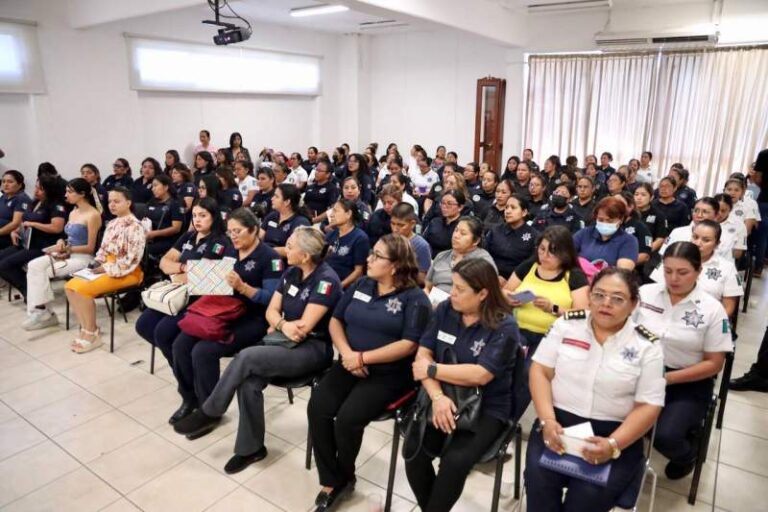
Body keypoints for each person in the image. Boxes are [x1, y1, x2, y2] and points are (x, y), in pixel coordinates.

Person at [172, 227, 342, 472]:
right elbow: (271, 311)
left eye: (290, 246)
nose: (284, 249)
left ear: (305, 255)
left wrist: (280, 324)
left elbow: (304, 328)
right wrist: (282, 324)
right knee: (248, 381)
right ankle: (251, 449)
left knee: (246, 356)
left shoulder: (326, 280)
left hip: (313, 348)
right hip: (283, 339)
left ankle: (210, 410)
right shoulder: (292, 272)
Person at [307, 234, 431, 511]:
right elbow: (336, 320)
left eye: (377, 255)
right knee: (318, 407)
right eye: (371, 253)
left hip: (389, 374)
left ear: (395, 266)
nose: (368, 259)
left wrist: (363, 357)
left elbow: (409, 344)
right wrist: (348, 355)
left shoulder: (415, 299)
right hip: (350, 362)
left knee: (347, 419)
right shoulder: (362, 284)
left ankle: (344, 476)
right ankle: (332, 479)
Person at [526, 268, 665, 511]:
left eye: (617, 298)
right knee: (539, 486)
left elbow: (648, 405)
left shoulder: (647, 346)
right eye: (599, 295)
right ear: (589, 296)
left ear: (633, 304)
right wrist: (547, 420)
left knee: (586, 498)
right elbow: (540, 372)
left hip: (614, 434)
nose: (606, 303)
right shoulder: (567, 325)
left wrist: (613, 444)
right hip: (557, 425)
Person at [406, 258, 520, 511]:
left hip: (486, 407)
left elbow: (481, 375)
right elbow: (423, 354)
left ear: (483, 293)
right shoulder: (446, 309)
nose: (452, 293)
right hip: (443, 395)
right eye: (453, 286)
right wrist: (437, 397)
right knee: (415, 452)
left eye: (460, 289)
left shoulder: (504, 326)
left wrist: (433, 370)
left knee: (454, 463)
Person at [166, 208, 283, 423]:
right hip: (222, 309)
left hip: (252, 317)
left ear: (254, 230)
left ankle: (209, 410)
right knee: (180, 345)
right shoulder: (231, 250)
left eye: (238, 231)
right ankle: (190, 398)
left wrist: (243, 287)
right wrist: (196, 277)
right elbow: (218, 282)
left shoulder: (270, 258)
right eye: (230, 232)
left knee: (203, 351)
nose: (233, 236)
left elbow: (272, 299)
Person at [635, 241, 731, 479]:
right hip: (639, 371)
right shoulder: (645, 294)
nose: (673, 278)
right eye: (668, 271)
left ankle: (688, 454)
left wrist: (666, 378)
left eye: (682, 272)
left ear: (698, 271)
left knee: (665, 436)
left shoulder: (712, 309)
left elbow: (714, 363)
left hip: (687, 380)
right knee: (612, 416)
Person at [135, 197, 231, 424]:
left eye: (203, 216)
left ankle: (189, 394)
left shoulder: (220, 242)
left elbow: (206, 277)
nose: (197, 220)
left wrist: (182, 272)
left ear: (214, 217)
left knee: (164, 333)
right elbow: (164, 262)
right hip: (177, 295)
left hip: (200, 300)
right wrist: (181, 267)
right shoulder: (188, 237)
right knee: (144, 325)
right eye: (195, 215)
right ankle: (185, 376)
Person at [64, 187, 146, 352]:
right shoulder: (112, 223)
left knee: (83, 290)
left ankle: (92, 333)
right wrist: (96, 264)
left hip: (127, 271)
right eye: (110, 201)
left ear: (128, 203)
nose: (112, 205)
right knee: (69, 287)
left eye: (117, 201)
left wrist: (106, 268)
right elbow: (102, 250)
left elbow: (131, 260)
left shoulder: (136, 226)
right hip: (106, 266)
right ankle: (86, 328)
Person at [22, 178, 102, 330]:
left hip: (83, 258)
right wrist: (61, 242)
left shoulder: (93, 215)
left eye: (70, 192)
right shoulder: (73, 212)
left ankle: (44, 313)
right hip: (68, 254)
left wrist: (67, 250)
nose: (66, 195)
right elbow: (68, 237)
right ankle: (42, 311)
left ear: (82, 194)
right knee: (33, 265)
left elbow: (90, 248)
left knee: (44, 271)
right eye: (66, 191)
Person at [650, 221, 742, 318]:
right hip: (666, 315)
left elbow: (728, 308)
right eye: (695, 237)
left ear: (717, 243)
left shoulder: (727, 268)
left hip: (706, 319)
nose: (698, 243)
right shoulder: (673, 259)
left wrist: (710, 323)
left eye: (706, 240)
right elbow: (656, 293)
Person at [0, 176, 66, 305]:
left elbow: (57, 228)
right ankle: (30, 290)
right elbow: (24, 221)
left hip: (44, 245)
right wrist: (15, 231)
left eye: (40, 189)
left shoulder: (56, 206)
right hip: (26, 242)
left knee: (5, 265)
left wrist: (34, 224)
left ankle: (30, 292)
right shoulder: (35, 202)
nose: (36, 191)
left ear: (50, 190)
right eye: (36, 187)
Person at [426, 216, 497, 295]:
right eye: (456, 230)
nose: (456, 236)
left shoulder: (484, 262)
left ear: (476, 241)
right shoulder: (441, 256)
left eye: (463, 233)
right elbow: (427, 286)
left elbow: (489, 293)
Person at [573, 196, 639, 270]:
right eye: (600, 220)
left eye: (610, 221)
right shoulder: (585, 233)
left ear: (621, 219)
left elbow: (623, 271)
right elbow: (566, 253)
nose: (605, 223)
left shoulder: (629, 241)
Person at [484, 194, 537, 280]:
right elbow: (484, 255)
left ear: (524, 212)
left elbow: (531, 265)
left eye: (513, 208)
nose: (508, 211)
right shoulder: (495, 230)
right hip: (491, 276)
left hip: (519, 280)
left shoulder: (534, 235)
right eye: (506, 207)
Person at [324, 199, 370, 289]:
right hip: (326, 281)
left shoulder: (360, 238)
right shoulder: (331, 234)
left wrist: (338, 287)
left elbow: (358, 272)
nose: (331, 215)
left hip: (343, 286)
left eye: (335, 211)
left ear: (348, 214)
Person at [260, 183, 311, 257]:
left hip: (284, 260)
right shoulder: (272, 216)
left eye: (276, 196)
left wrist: (265, 251)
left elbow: (295, 249)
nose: (272, 198)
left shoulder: (300, 222)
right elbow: (259, 237)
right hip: (265, 255)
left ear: (287, 202)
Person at [389, 203, 431, 285]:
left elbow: (422, 278)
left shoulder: (421, 246)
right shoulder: (388, 240)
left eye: (401, 225)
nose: (395, 229)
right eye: (392, 224)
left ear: (412, 224)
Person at [144, 174, 184, 258]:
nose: (153, 189)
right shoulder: (152, 202)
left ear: (166, 187)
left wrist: (154, 234)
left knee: (142, 250)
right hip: (150, 238)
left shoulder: (175, 203)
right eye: (152, 186)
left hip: (167, 241)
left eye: (155, 185)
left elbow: (176, 228)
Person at [423, 190, 465, 257]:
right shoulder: (435, 222)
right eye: (443, 203)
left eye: (449, 204)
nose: (444, 207)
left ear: (460, 207)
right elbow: (424, 241)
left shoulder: (464, 226)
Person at [0, 170, 31, 250]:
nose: (5, 184)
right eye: (3, 181)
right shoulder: (4, 196)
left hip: (8, 236)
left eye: (10, 182)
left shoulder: (22, 199)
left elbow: (16, 223)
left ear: (20, 185)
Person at [634, 183, 668, 253]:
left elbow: (660, 238)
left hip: (648, 251)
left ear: (651, 197)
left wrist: (646, 252)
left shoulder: (658, 215)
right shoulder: (628, 213)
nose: (639, 198)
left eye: (643, 195)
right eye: (636, 194)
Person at [305, 160, 340, 224]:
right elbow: (305, 204)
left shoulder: (332, 189)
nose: (316, 172)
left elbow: (332, 209)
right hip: (306, 219)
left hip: (321, 221)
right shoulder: (310, 187)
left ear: (328, 174)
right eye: (316, 170)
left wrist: (315, 220)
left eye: (320, 171)